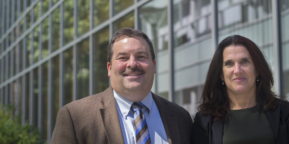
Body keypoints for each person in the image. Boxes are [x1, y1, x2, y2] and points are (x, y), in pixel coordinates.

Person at [50, 28, 192, 144]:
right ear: (109, 68)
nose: (132, 64)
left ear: (154, 66)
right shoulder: (75, 117)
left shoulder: (181, 117)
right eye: (123, 58)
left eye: (141, 56)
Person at [191, 35, 289, 144]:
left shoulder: (284, 113)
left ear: (257, 70)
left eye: (244, 61)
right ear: (221, 74)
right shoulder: (204, 120)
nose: (237, 70)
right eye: (229, 64)